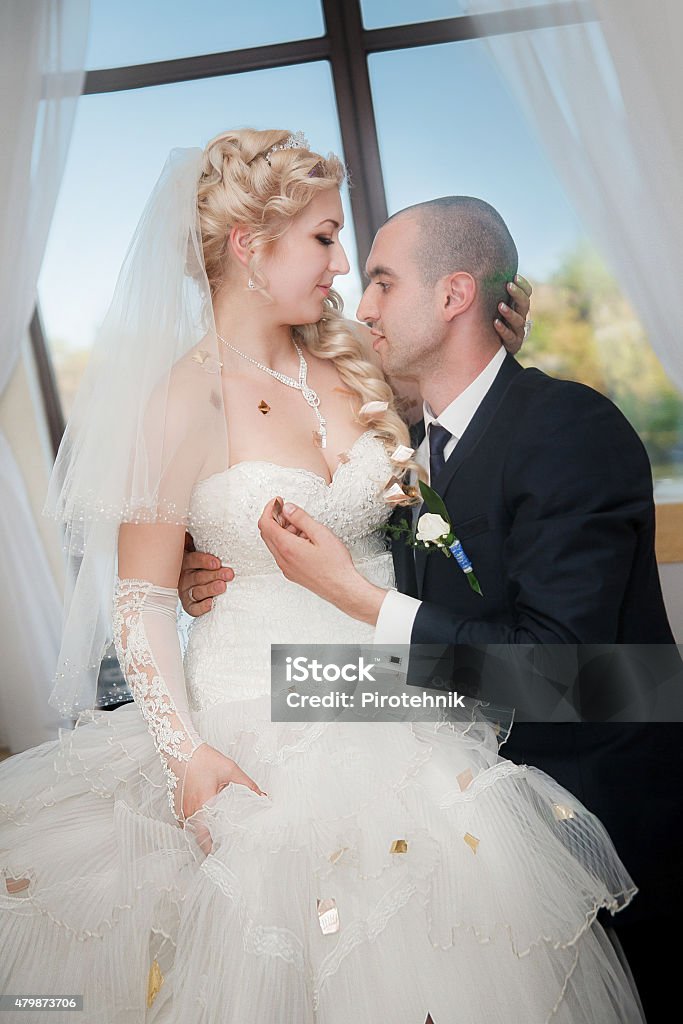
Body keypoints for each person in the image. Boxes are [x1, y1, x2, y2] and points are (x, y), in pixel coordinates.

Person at [1, 130, 644, 1023]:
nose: (342, 267)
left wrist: (494, 339)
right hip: (258, 705)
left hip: (410, 696)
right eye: (326, 238)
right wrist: (188, 753)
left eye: (357, 253)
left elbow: (466, 426)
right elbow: (141, 596)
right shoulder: (182, 399)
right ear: (249, 247)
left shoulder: (357, 364)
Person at [182, 195, 677, 1020]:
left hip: (598, 813)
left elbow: (562, 672)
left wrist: (350, 594)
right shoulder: (419, 440)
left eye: (379, 281)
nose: (358, 302)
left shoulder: (568, 429)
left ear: (452, 297)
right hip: (456, 767)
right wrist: (214, 572)